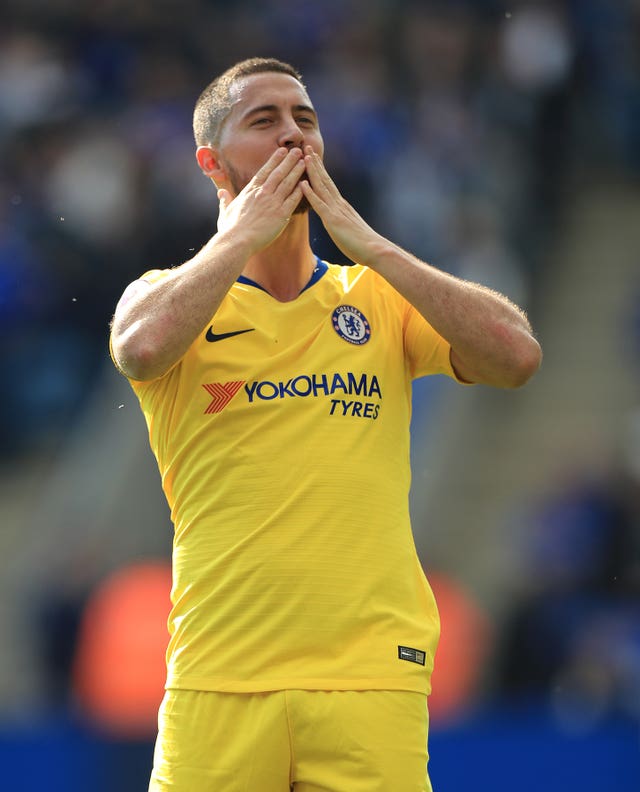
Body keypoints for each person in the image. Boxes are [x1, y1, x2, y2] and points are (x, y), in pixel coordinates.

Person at [109, 57, 542, 792]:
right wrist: (239, 237)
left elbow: (516, 356)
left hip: (370, 677)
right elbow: (141, 348)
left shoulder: (375, 297)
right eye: (265, 120)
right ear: (212, 163)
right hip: (220, 677)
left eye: (305, 120)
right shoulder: (167, 300)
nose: (293, 137)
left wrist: (369, 243)